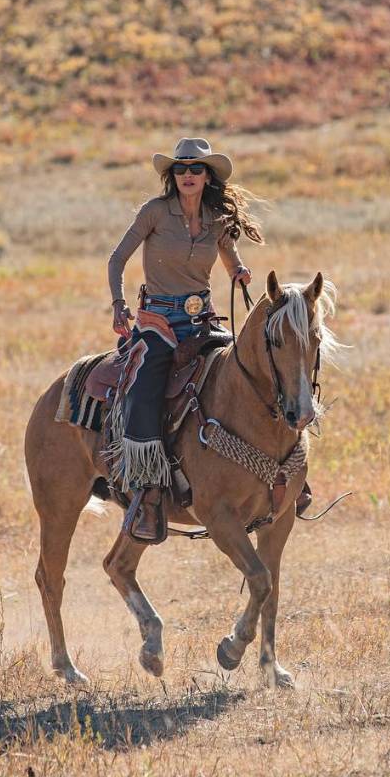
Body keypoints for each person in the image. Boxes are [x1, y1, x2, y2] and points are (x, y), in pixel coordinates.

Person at [106, 137, 262, 542]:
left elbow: (229, 254)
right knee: (146, 387)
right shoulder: (154, 213)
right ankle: (147, 491)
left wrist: (239, 271)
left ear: (207, 175)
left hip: (201, 318)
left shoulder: (216, 217)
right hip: (158, 319)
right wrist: (118, 304)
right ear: (171, 176)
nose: (188, 175)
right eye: (181, 169)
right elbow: (117, 258)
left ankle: (280, 469)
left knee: (250, 368)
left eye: (196, 169)